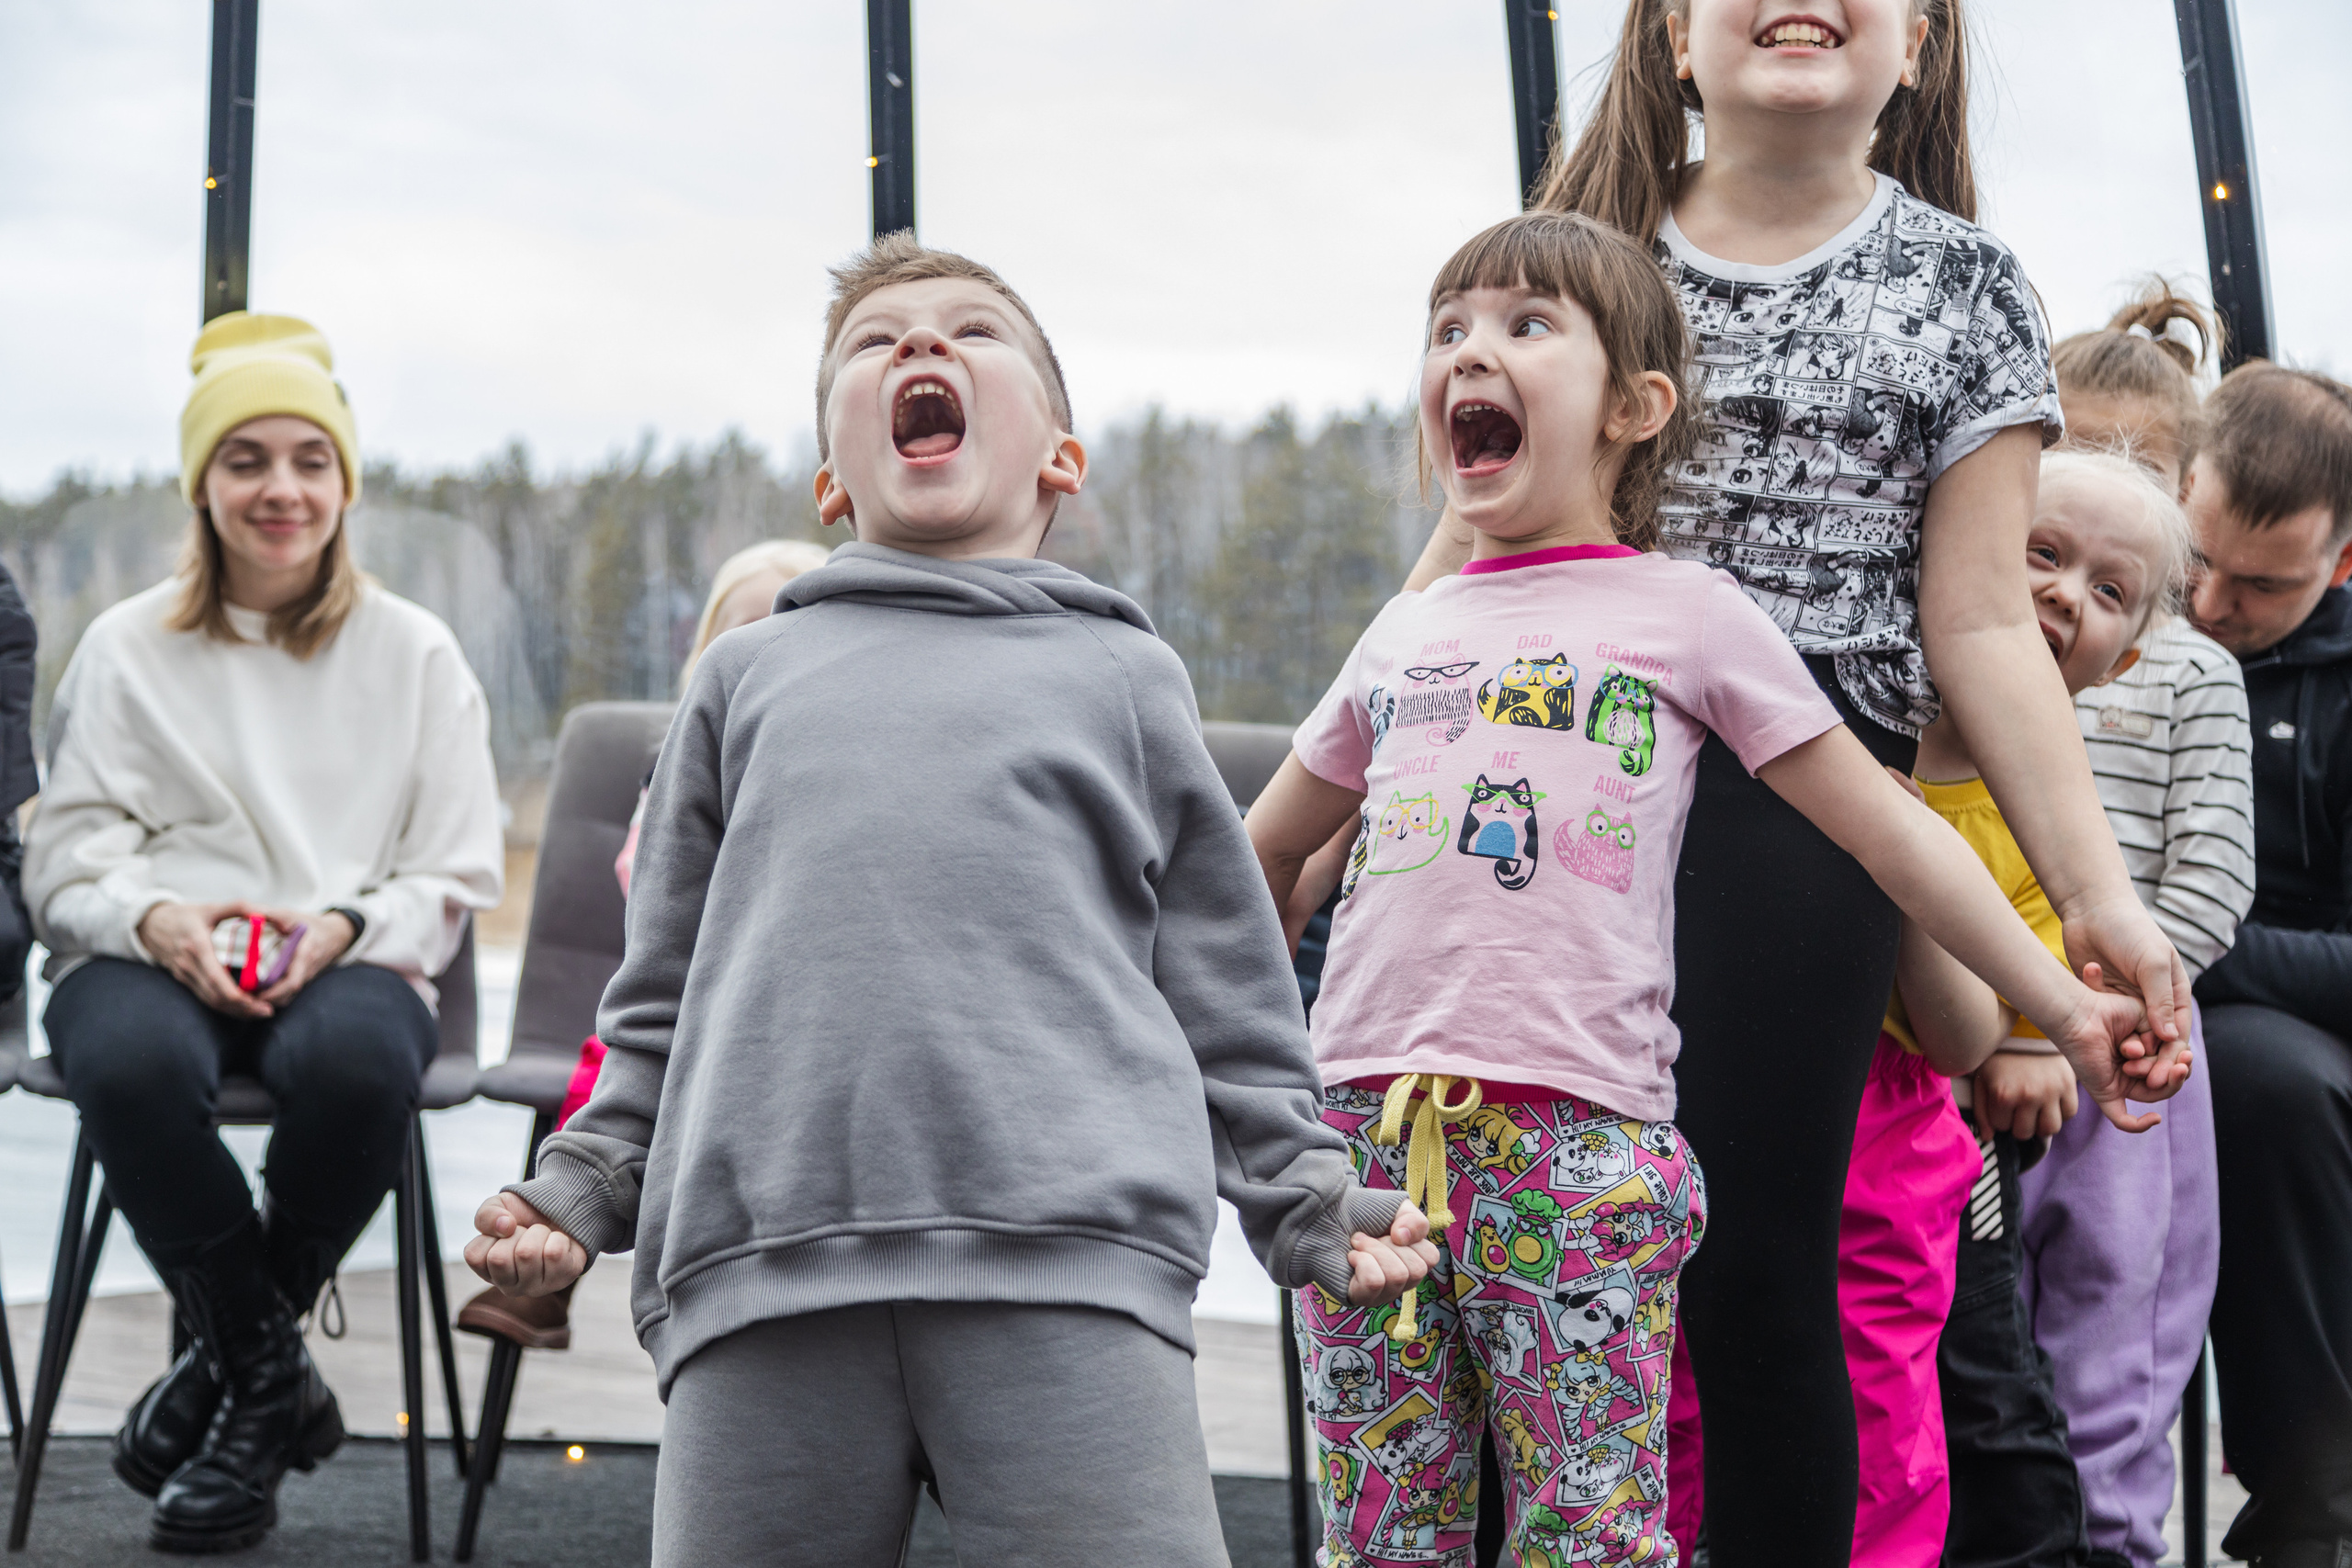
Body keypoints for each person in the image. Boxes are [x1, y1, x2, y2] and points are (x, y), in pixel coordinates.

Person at [464, 234, 1437, 1567]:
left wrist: (1300, 1188)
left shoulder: (1124, 676)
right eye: (875, 343)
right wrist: (577, 1188)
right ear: (830, 475)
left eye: (974, 332)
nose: (922, 347)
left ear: (1060, 457)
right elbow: (663, 994)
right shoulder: (741, 680)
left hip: (1072, 1263)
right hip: (762, 1271)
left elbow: (1227, 985)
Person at [1244, 210, 2182, 1568]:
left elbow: (1895, 835)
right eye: (1448, 330)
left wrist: (2062, 1002)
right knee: (1382, 1534)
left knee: (1590, 1534)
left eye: (1523, 324)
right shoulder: (1407, 628)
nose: (1470, 352)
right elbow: (1265, 852)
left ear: (1636, 405)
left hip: (1576, 1155)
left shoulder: (1687, 613)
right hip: (1369, 1150)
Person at [23, 312, 503, 1553]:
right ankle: (269, 1370)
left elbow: (451, 870)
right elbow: (65, 859)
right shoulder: (131, 647)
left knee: (358, 1061)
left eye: (309, 458)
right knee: (124, 1060)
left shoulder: (416, 651)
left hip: (343, 949)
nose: (281, 488)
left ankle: (224, 1381)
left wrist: (344, 922)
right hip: (152, 945)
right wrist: (157, 916)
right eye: (246, 460)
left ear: (344, 481)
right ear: (202, 485)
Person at [1978, 287, 2253, 1568]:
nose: (2100, 499)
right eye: (2070, 455)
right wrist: (2010, 1012)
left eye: (2141, 465)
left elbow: (2207, 886)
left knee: (2116, 1336)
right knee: (1972, 1334)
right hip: (1973, 1040)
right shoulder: (1957, 650)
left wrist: (2087, 1010)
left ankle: (2114, 1547)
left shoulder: (2188, 672)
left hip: (2126, 1062)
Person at [453, 535, 832, 1351]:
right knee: (611, 1066)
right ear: (708, 659)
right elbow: (647, 897)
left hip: (792, 1009)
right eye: (744, 635)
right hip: (687, 997)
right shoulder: (676, 771)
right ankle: (566, 1230)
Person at [2180, 364, 2352, 1567]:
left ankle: (2312, 1504)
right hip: (2067, 963)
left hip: (2278, 1003)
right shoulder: (2119, 605)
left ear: (2342, 564)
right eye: (2197, 557)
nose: (2206, 603)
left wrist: (2179, 945)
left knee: (2269, 1084)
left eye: (2260, 585)